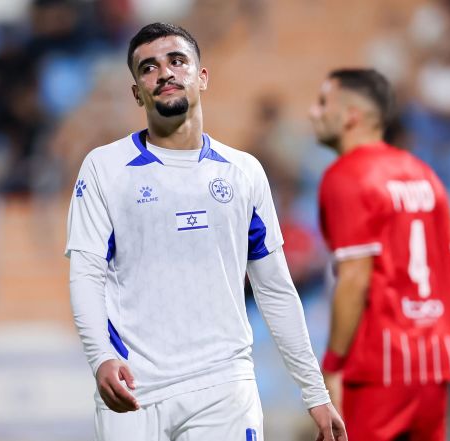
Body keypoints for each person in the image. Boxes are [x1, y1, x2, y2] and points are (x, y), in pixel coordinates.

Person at [65, 22, 346, 441]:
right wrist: (101, 357)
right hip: (136, 389)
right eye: (148, 67)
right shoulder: (104, 169)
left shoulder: (243, 173)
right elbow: (86, 274)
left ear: (202, 76)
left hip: (224, 387)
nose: (164, 72)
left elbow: (274, 289)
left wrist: (315, 392)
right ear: (137, 93)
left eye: (177, 60)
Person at [309, 68, 450, 441]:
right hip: (434, 364)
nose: (313, 113)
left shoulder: (346, 175)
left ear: (351, 115)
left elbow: (355, 277)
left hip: (379, 366)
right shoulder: (426, 175)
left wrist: (332, 366)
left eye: (323, 103)